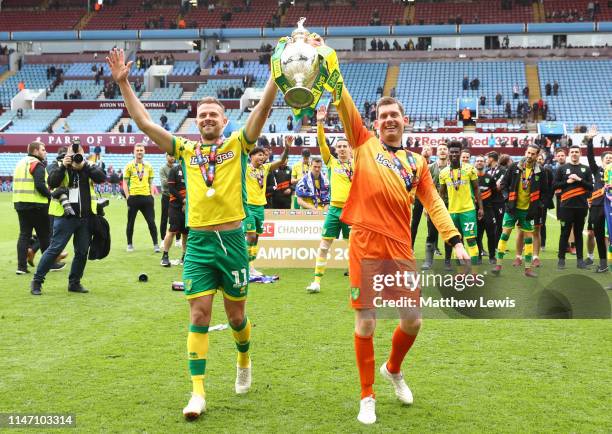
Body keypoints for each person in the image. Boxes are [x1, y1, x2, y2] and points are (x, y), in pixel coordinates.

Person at [108, 46, 277, 419]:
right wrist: (124, 85)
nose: (207, 119)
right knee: (199, 315)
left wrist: (275, 74)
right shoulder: (184, 150)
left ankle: (244, 358)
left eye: (213, 114)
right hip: (198, 242)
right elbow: (146, 125)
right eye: (202, 115)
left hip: (232, 242)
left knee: (236, 318)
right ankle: (197, 393)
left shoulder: (238, 145)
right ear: (195, 121)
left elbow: (262, 111)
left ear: (224, 118)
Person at [335, 78, 467, 424]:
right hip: (365, 242)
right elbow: (344, 102)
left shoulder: (418, 163)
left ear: (404, 120)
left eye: (394, 114)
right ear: (376, 123)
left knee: (413, 320)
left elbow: (434, 203)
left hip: (399, 248)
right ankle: (367, 396)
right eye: (383, 116)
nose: (389, 119)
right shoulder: (363, 144)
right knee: (366, 323)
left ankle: (393, 369)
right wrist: (329, 64)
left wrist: (454, 239)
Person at [30, 142, 106, 295]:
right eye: (72, 152)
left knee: (82, 251)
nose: (75, 156)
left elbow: (101, 178)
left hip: (85, 217)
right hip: (64, 216)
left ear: (83, 153)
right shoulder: (56, 164)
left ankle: (74, 283)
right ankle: (37, 281)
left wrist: (84, 166)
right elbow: (51, 182)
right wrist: (64, 166)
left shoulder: (88, 164)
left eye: (79, 152)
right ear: (67, 152)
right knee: (55, 249)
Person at [306, 105, 353, 293]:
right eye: (339, 146)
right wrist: (319, 122)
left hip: (352, 211)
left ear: (350, 148)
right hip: (333, 210)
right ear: (335, 149)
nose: (341, 149)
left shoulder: (357, 163)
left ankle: (356, 282)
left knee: (354, 249)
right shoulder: (331, 162)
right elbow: (321, 143)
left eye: (344, 146)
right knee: (324, 245)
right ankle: (316, 282)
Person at [492, 144, 546, 278]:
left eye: (533, 154)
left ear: (537, 155)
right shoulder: (514, 167)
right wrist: (506, 199)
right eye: (528, 152)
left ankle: (527, 269)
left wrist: (538, 205)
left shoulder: (541, 171)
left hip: (528, 211)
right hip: (512, 209)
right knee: (504, 235)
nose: (529, 156)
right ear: (525, 152)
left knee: (528, 240)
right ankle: (498, 265)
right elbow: (503, 184)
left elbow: (545, 191)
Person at [244, 138, 290, 277]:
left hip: (260, 207)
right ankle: (245, 266)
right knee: (250, 236)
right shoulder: (245, 168)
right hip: (248, 206)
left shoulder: (266, 168)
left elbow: (281, 161)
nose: (262, 157)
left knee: (256, 238)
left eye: (263, 155)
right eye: (259, 155)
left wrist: (287, 147)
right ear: (251, 156)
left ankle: (251, 267)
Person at [439, 142, 483, 266]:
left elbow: (476, 189)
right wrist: (441, 212)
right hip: (452, 212)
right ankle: (461, 273)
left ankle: (474, 274)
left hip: (468, 211)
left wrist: (480, 207)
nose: (454, 154)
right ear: (448, 153)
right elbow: (441, 195)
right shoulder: (444, 173)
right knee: (456, 243)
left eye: (456, 152)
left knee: (471, 240)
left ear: (460, 153)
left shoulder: (469, 169)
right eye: (451, 152)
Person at [13, 141, 52, 275]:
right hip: (37, 205)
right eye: (43, 149)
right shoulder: (37, 164)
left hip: (20, 203)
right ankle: (49, 264)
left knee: (24, 235)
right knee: (44, 236)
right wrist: (51, 196)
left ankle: (21, 267)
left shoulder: (20, 163)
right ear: (35, 151)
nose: (45, 151)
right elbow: (40, 185)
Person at [554, 145, 593, 269]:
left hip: (581, 207)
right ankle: (561, 259)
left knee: (578, 234)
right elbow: (554, 185)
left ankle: (580, 261)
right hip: (566, 206)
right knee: (564, 233)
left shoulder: (586, 169)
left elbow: (590, 187)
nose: (574, 154)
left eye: (577, 152)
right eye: (572, 152)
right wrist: (567, 182)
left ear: (580, 153)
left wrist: (579, 179)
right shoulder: (562, 168)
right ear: (569, 154)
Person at [123, 143, 159, 252]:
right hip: (133, 198)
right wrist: (128, 197)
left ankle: (156, 245)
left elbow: (151, 182)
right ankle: (129, 244)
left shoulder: (149, 166)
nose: (139, 152)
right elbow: (125, 183)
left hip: (146, 198)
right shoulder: (129, 165)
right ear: (134, 152)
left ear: (144, 152)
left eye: (141, 150)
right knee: (130, 222)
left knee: (151, 222)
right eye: (137, 150)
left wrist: (152, 196)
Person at [585, 127, 612, 272]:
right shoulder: (597, 171)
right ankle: (603, 264)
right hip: (596, 206)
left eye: (611, 159)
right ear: (602, 162)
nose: (609, 160)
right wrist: (590, 140)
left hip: (611, 207)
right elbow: (590, 157)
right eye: (607, 158)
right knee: (599, 236)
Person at [421, 143, 449, 269]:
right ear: (436, 153)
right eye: (440, 149)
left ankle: (447, 262)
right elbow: (425, 188)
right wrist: (425, 206)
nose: (442, 151)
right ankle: (428, 261)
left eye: (444, 149)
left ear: (447, 153)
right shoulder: (430, 167)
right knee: (431, 233)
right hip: (433, 205)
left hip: (450, 205)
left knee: (449, 233)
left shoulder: (453, 168)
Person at [160, 160, 188, 267]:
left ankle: (184, 256)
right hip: (175, 205)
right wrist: (183, 200)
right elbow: (171, 188)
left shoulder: (192, 169)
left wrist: (188, 202)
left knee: (186, 232)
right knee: (172, 230)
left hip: (189, 206)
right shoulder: (174, 170)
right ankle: (165, 256)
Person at [474, 155, 498, 265]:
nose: (479, 162)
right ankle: (478, 255)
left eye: (481, 161)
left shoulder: (490, 178)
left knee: (491, 234)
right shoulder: (471, 178)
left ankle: (492, 256)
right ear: (474, 163)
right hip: (474, 211)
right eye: (477, 161)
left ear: (484, 163)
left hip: (488, 211)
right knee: (477, 235)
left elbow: (495, 194)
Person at [159, 153, 175, 242]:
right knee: (164, 218)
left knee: (176, 218)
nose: (172, 157)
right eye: (170, 155)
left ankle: (178, 239)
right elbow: (164, 183)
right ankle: (162, 239)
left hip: (176, 197)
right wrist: (174, 182)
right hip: (166, 196)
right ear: (166, 157)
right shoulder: (162, 168)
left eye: (173, 156)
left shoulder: (177, 168)